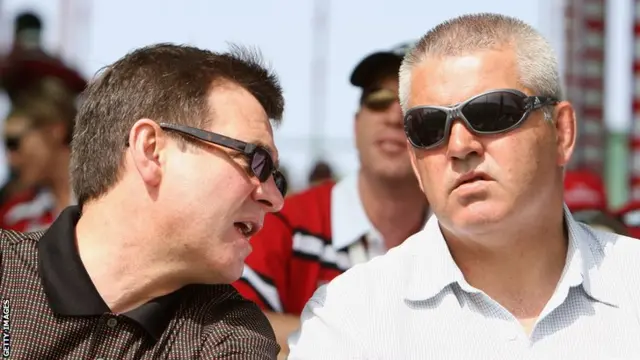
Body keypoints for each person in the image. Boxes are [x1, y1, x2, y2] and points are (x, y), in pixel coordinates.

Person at [288, 13, 640, 359]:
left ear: (561, 131)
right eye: (428, 127)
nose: (459, 146)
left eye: (492, 112)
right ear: (415, 160)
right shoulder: (349, 318)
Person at [0, 43, 287, 359]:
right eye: (257, 161)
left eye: (277, 177)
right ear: (151, 149)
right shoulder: (7, 273)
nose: (274, 199)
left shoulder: (229, 334)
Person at [233, 42, 430, 357]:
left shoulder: (464, 238)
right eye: (378, 99)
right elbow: (230, 327)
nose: (394, 115)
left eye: (413, 105)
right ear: (355, 126)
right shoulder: (286, 221)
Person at [0, 79, 77, 231]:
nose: (12, 159)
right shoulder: (13, 219)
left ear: (55, 130)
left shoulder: (111, 193)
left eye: (14, 143)